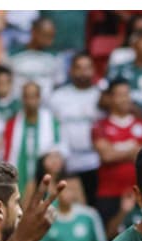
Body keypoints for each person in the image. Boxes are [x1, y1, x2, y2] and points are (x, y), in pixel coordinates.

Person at [92, 79, 142, 226]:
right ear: (110, 98)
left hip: (139, 192)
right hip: (109, 193)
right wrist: (134, 149)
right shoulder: (100, 126)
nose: (124, 98)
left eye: (127, 94)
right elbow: (106, 155)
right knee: (110, 238)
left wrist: (117, 149)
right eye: (119, 94)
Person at [49, 53, 104, 207]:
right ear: (70, 70)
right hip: (67, 162)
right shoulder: (57, 97)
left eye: (87, 68)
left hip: (95, 161)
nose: (83, 72)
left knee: (95, 206)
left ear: (94, 70)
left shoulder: (101, 97)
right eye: (78, 68)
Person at [0, 82, 64, 199]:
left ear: (39, 98)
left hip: (44, 175)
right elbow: (5, 154)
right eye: (27, 97)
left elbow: (59, 151)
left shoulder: (51, 122)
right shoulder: (12, 124)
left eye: (34, 96)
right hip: (20, 175)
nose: (30, 101)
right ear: (22, 99)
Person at [7, 17, 62, 99]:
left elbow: (57, 84)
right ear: (34, 32)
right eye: (46, 35)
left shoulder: (55, 57)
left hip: (45, 106)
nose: (50, 41)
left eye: (52, 36)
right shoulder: (13, 54)